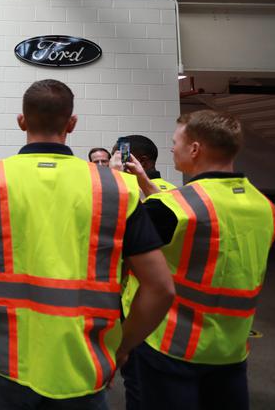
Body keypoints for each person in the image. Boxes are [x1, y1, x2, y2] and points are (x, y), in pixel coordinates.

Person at [0, 79, 176, 409]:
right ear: (72, 123)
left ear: (21, 121)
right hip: (84, 360)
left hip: (5, 358)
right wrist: (122, 347)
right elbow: (161, 287)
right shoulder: (116, 189)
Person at [118, 110, 275, 410]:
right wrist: (145, 182)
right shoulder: (268, 208)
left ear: (194, 149)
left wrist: (124, 343)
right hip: (231, 351)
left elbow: (151, 228)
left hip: (171, 349)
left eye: (175, 142)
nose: (171, 148)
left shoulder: (174, 209)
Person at [108, 133, 175, 410]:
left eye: (118, 156)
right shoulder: (172, 192)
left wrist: (116, 181)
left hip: (143, 306)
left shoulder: (142, 196)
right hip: (163, 309)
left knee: (140, 385)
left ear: (141, 161)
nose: (114, 162)